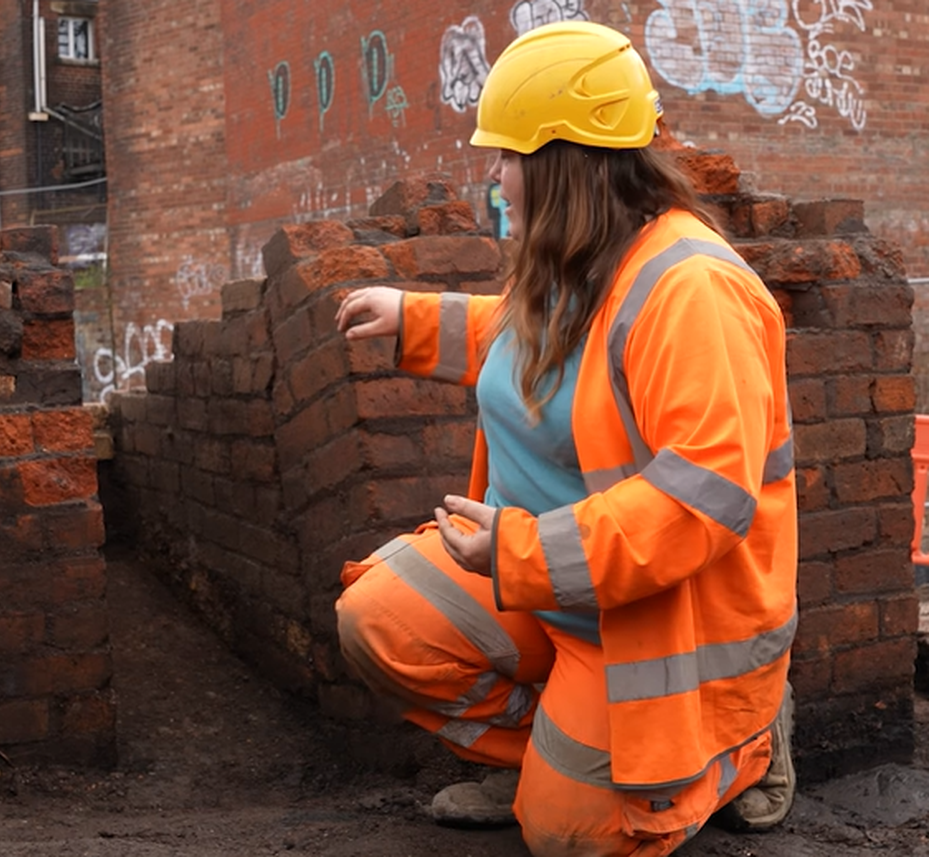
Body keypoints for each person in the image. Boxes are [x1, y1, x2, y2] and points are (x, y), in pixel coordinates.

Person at [333, 20, 798, 857]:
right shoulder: (582, 256)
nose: (498, 175)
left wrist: (524, 553)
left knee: (572, 836)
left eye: (508, 155)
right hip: (550, 588)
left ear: (563, 163)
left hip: (642, 623)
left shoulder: (692, 290)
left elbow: (703, 499)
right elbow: (538, 351)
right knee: (379, 621)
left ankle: (742, 744)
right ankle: (550, 750)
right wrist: (413, 318)